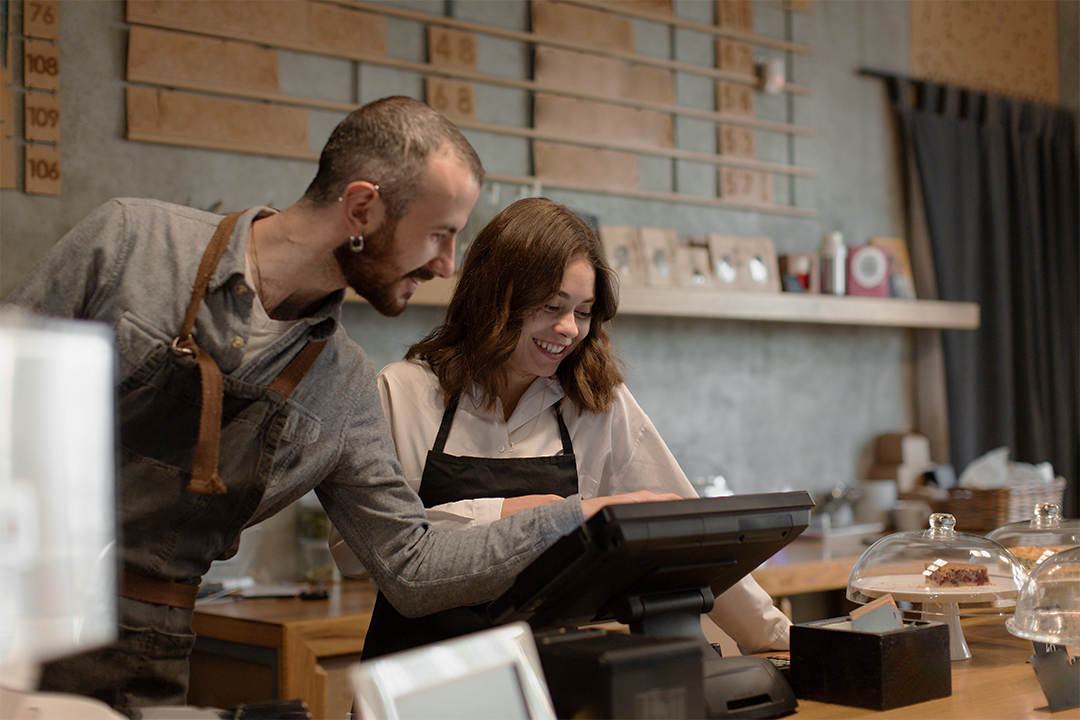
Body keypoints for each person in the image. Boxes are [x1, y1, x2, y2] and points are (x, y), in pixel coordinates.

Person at [2, 97, 672, 713]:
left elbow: (410, 567)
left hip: (149, 650)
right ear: (362, 211)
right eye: (440, 234)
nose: (447, 264)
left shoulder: (342, 383)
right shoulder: (132, 245)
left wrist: (577, 516)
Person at [331, 197, 791, 660]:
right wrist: (527, 513)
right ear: (496, 296)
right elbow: (356, 553)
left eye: (585, 311)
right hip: (420, 681)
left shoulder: (596, 403)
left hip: (549, 681)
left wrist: (779, 637)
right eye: (552, 306)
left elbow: (692, 538)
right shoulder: (403, 392)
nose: (569, 328)